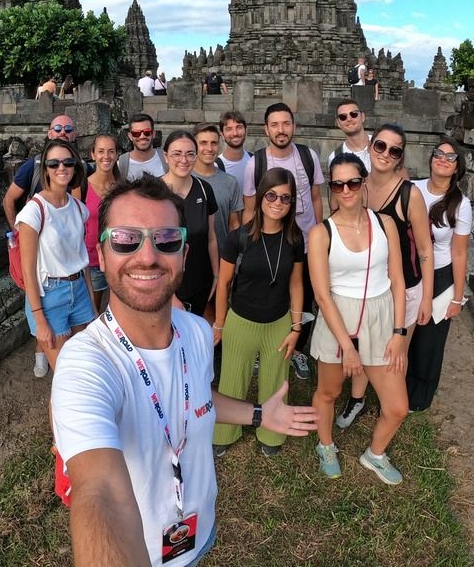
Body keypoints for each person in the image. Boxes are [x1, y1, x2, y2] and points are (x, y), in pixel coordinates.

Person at [50, 175, 318, 567]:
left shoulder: (196, 331)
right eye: (125, 239)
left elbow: (197, 398)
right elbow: (100, 490)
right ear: (101, 256)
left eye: (166, 240)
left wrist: (259, 414)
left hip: (199, 527)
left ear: (184, 256)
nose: (147, 256)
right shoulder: (86, 363)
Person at [308, 153, 409, 484]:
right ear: (332, 188)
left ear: (363, 182)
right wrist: (348, 348)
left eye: (352, 182)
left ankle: (375, 454)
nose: (346, 190)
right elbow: (322, 295)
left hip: (380, 315)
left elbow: (397, 280)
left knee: (397, 406)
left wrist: (399, 332)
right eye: (338, 185)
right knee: (329, 391)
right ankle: (325, 445)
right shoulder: (321, 233)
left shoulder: (386, 224)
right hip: (338, 317)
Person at [335, 123, 433, 430]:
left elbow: (425, 248)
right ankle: (358, 398)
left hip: (407, 285)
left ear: (401, 157)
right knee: (365, 344)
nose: (385, 154)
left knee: (395, 350)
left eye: (394, 150)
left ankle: (391, 405)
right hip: (372, 284)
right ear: (370, 146)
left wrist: (427, 297)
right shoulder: (356, 186)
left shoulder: (409, 194)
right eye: (380, 146)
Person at [212, 168, 305, 457]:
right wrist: (219, 324)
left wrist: (296, 327)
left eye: (286, 198)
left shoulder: (295, 239)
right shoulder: (238, 237)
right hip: (241, 321)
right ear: (262, 196)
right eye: (272, 195)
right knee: (232, 378)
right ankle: (225, 433)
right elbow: (224, 283)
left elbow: (296, 284)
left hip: (278, 323)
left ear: (292, 203)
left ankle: (271, 433)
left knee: (275, 379)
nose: (278, 203)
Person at [241, 102, 324, 381]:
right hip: (270, 244)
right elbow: (250, 208)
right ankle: (262, 346)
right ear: (266, 129)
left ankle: (297, 348)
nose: (281, 130)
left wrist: (319, 235)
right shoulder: (256, 164)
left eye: (286, 123)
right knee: (269, 295)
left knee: (305, 296)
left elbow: (316, 198)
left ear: (294, 126)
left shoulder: (308, 156)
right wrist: (251, 245)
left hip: (307, 243)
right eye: (274, 124)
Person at [2, 115, 78, 378]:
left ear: (75, 135)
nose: (62, 132)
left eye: (67, 129)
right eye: (57, 128)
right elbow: (9, 200)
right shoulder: (32, 167)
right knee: (42, 311)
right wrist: (19, 231)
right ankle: (40, 352)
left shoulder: (78, 169)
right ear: (49, 132)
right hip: (40, 258)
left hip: (67, 258)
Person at [15, 139, 95, 372]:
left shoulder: (79, 208)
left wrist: (92, 302)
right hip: (50, 294)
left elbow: (82, 259)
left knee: (83, 365)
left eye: (68, 162)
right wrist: (39, 319)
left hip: (78, 289)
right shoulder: (34, 211)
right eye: (54, 163)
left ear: (75, 167)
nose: (62, 168)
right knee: (65, 374)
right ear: (45, 169)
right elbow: (28, 270)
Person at [408, 138, 472, 411]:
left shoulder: (460, 204)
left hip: (441, 275)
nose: (443, 159)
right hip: (410, 271)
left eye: (450, 156)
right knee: (406, 332)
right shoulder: (413, 189)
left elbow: (459, 252)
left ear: (457, 167)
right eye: (438, 153)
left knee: (429, 342)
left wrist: (457, 297)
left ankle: (418, 397)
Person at [161, 130, 219, 320]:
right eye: (177, 154)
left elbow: (211, 237)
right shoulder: (153, 193)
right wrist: (170, 295)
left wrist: (216, 275)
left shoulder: (205, 189)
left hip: (200, 283)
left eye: (190, 154)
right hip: (165, 288)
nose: (184, 160)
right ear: (166, 156)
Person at [192, 123, 242, 269]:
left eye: (214, 143)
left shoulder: (230, 182)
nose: (209, 148)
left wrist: (235, 261)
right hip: (189, 263)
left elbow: (234, 225)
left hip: (222, 262)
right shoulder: (184, 179)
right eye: (203, 143)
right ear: (194, 145)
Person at [80, 134, 121, 313]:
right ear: (93, 154)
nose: (106, 156)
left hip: (118, 257)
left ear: (117, 155)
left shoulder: (122, 186)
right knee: (94, 311)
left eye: (111, 151)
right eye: (101, 151)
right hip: (92, 260)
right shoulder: (82, 186)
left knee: (119, 310)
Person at [117, 112, 168, 180]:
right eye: (136, 133)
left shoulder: (166, 159)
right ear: (130, 136)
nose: (142, 136)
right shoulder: (121, 164)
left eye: (147, 132)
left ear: (153, 134)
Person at [326, 100, 371, 170]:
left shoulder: (381, 143)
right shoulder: (334, 157)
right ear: (338, 123)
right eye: (343, 117)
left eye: (354, 114)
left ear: (362, 117)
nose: (349, 119)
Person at [216, 110, 251, 187]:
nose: (235, 133)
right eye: (229, 129)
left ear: (246, 131)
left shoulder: (255, 161)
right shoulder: (216, 167)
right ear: (222, 135)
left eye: (239, 127)